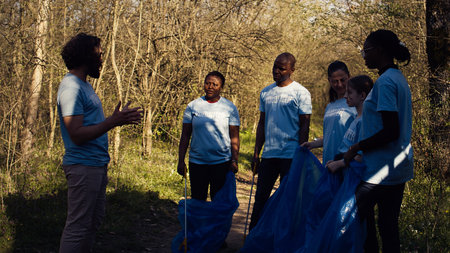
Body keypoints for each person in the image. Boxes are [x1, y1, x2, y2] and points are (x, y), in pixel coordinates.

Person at [57, 33, 142, 252]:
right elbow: (75, 133)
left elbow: (88, 125)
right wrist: (113, 121)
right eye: (99, 54)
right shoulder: (71, 88)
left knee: (91, 224)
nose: (102, 59)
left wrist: (115, 120)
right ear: (87, 55)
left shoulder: (83, 86)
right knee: (78, 228)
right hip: (82, 166)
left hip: (95, 165)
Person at [344, 29, 413, 252]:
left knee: (354, 213)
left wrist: (357, 146)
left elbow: (391, 130)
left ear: (379, 51)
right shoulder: (398, 78)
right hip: (397, 167)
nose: (364, 56)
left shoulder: (385, 83)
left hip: (382, 170)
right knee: (388, 226)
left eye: (366, 51)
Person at [249, 52, 312, 230]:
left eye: (281, 68)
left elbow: (304, 125)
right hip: (269, 154)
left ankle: (285, 240)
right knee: (260, 197)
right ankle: (253, 238)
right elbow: (262, 123)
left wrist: (301, 154)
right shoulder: (266, 92)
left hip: (291, 154)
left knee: (288, 199)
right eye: (275, 66)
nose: (276, 71)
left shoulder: (301, 93)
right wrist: (256, 153)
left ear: (292, 70)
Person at [177, 71, 240, 201]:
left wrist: (234, 160)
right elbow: (185, 136)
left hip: (221, 162)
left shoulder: (229, 108)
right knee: (198, 200)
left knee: (219, 201)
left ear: (221, 88)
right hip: (197, 162)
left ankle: (218, 222)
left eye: (215, 84)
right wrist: (181, 160)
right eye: (207, 83)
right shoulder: (193, 106)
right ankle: (199, 222)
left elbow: (234, 136)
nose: (210, 87)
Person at [301, 61, 356, 165]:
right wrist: (312, 144)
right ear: (329, 81)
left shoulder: (356, 102)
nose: (339, 84)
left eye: (342, 80)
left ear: (349, 77)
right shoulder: (329, 106)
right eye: (335, 81)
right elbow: (330, 136)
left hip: (346, 162)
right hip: (329, 162)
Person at [326, 75, 374, 173]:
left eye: (350, 93)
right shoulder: (356, 118)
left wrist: (340, 163)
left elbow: (361, 157)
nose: (345, 96)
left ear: (362, 96)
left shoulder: (364, 122)